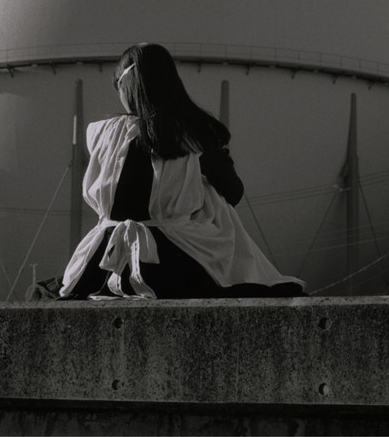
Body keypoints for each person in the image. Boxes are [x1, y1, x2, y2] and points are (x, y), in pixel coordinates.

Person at [31, 43, 306, 300]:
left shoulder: (104, 134)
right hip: (175, 260)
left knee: (45, 292)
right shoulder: (194, 134)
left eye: (117, 85)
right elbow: (233, 192)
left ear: (128, 85)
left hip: (105, 263)